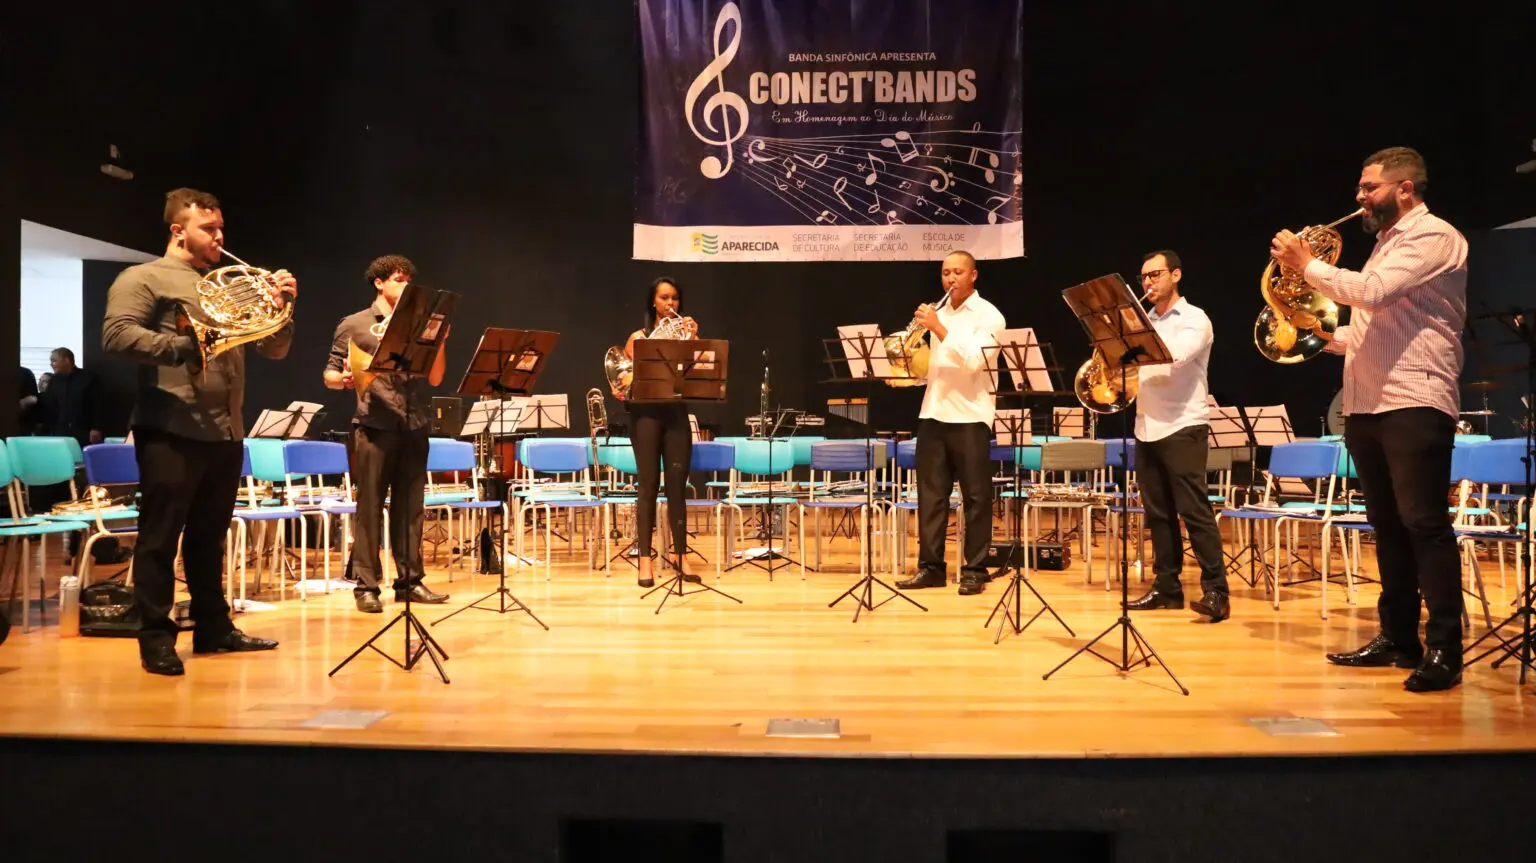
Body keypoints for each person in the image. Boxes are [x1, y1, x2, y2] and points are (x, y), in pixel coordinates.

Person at [1271, 146, 1468, 693]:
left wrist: (1304, 265)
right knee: (1388, 527)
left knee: (1424, 524)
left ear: (1405, 188)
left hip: (1414, 398)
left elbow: (1374, 294)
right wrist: (1317, 335)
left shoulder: (1434, 236)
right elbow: (1377, 325)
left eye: (1370, 187)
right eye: (1360, 188)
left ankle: (1446, 649)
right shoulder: (1384, 243)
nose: (1359, 197)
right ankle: (1398, 637)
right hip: (1367, 402)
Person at [102, 187, 296, 676]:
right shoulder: (143, 277)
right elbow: (117, 335)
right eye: (209, 228)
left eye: (221, 227)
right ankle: (156, 638)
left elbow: (274, 350)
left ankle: (214, 626)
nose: (219, 236)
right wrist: (188, 345)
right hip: (170, 426)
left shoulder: (223, 284)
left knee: (209, 537)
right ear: (177, 230)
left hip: (225, 429)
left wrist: (281, 309)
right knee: (159, 538)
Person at [324, 255, 451, 613]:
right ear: (379, 282)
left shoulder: (418, 323)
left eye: (409, 279)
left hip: (413, 424)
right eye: (398, 279)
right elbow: (330, 374)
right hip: (373, 424)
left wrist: (439, 341)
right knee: (369, 508)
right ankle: (366, 586)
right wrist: (344, 379)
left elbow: (436, 377)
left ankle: (410, 581)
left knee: (412, 509)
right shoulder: (355, 324)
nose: (406, 285)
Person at [1122, 250, 1230, 621]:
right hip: (1146, 426)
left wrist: (1127, 342)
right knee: (1158, 515)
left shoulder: (1194, 319)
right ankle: (1166, 587)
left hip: (1183, 425)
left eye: (1155, 274)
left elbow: (1175, 357)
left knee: (1194, 511)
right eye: (1144, 277)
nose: (1148, 282)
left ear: (1176, 275)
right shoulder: (1144, 321)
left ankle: (1217, 592)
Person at [896, 250, 1006, 596]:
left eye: (957, 272)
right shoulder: (937, 313)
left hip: (971, 415)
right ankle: (931, 568)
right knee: (931, 496)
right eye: (945, 273)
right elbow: (931, 368)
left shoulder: (990, 316)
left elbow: (974, 362)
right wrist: (903, 374)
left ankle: (974, 569)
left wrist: (940, 329)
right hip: (933, 412)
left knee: (975, 497)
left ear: (973, 275)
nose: (950, 279)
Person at [620, 277, 700, 588]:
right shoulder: (637, 338)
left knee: (678, 487)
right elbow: (624, 382)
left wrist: (693, 342)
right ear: (653, 302)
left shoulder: (687, 334)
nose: (670, 304)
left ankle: (680, 554)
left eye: (675, 298)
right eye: (664, 298)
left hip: (676, 414)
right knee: (648, 486)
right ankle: (644, 559)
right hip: (645, 415)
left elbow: (699, 373)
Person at [38, 348, 101, 446]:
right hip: (60, 432)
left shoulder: (88, 378)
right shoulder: (54, 381)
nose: (51, 364)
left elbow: (98, 405)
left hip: (84, 431)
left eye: (54, 360)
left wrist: (96, 428)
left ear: (66, 360)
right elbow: (49, 406)